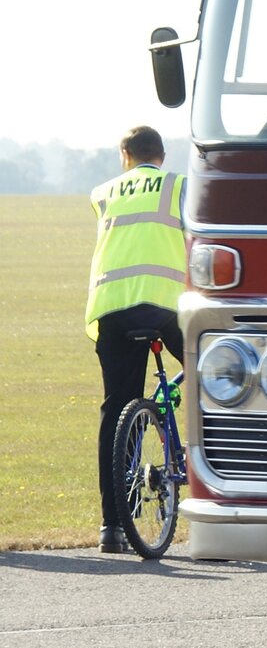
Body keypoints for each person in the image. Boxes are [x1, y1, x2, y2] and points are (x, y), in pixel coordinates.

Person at [85, 126, 186, 553]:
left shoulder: (103, 192)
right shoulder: (179, 186)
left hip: (112, 308)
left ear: (124, 155)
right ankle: (215, 503)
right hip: (166, 306)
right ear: (161, 155)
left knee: (116, 408)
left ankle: (112, 527)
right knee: (214, 387)